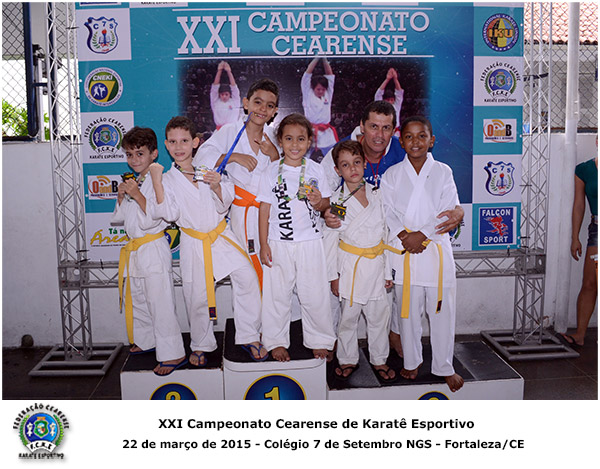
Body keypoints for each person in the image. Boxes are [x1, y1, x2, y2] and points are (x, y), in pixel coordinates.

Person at [321, 101, 465, 356]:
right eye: (373, 127)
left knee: (392, 297)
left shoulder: (404, 150)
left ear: (394, 131)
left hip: (386, 237)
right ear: (362, 127)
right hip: (352, 237)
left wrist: (458, 209)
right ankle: (332, 339)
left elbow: (435, 192)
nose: (379, 135)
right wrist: (327, 211)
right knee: (341, 296)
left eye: (386, 128)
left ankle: (395, 335)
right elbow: (323, 194)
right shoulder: (343, 151)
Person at [149, 116, 265, 365]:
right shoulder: (167, 180)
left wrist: (216, 186)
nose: (178, 147)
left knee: (247, 277)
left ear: (195, 143)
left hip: (220, 235)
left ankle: (249, 335)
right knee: (197, 297)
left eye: (184, 141)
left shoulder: (207, 170)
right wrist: (156, 181)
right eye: (172, 142)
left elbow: (224, 204)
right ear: (166, 145)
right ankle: (201, 344)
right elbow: (168, 214)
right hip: (193, 242)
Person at [381, 116, 464, 393]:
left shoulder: (443, 172)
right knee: (408, 313)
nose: (415, 141)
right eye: (409, 136)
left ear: (432, 140)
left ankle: (444, 366)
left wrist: (422, 235)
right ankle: (412, 360)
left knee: (442, 313)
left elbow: (449, 210)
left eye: (421, 136)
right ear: (401, 141)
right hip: (405, 249)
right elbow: (387, 210)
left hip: (434, 250)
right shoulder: (392, 174)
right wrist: (405, 236)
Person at [258, 113, 336, 361]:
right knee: (277, 296)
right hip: (278, 242)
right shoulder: (270, 171)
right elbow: (264, 209)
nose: (294, 144)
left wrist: (318, 201)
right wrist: (263, 243)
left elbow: (325, 205)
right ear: (280, 141)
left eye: (300, 139)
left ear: (309, 141)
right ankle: (276, 341)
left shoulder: (316, 170)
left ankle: (320, 339)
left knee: (315, 294)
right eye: (289, 138)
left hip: (310, 242)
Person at [112, 126, 186, 376]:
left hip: (153, 246)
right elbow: (122, 218)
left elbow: (162, 215)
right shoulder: (135, 181)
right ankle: (147, 340)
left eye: (140, 154)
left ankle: (173, 352)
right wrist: (122, 196)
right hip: (135, 249)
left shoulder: (160, 180)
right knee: (139, 299)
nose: (134, 160)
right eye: (129, 154)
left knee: (159, 301)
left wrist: (137, 195)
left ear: (154, 153)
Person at [194, 78, 280, 289]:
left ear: (274, 112)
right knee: (246, 274)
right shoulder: (230, 131)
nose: (262, 109)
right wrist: (232, 157)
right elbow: (200, 159)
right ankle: (249, 313)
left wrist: (274, 155)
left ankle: (271, 311)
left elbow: (286, 174)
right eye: (257, 102)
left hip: (271, 212)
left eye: (269, 105)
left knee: (274, 267)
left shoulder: (275, 137)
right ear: (246, 103)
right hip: (243, 212)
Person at [324, 140, 396, 382]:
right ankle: (347, 358)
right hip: (350, 269)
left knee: (379, 317)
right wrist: (333, 276)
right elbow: (331, 239)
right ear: (337, 170)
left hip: (375, 265)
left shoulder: (378, 194)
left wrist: (387, 272)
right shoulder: (338, 200)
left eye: (356, 162)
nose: (352, 168)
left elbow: (385, 234)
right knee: (348, 318)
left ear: (365, 164)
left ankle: (379, 359)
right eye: (345, 165)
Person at [563, 149, 598, 347]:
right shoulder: (584, 170)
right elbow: (579, 206)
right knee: (590, 283)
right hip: (597, 230)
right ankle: (580, 335)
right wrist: (575, 237)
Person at [301, 57, 338, 155]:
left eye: (323, 89)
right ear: (313, 88)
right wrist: (317, 58)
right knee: (305, 158)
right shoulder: (308, 94)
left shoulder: (328, 94)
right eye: (318, 89)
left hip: (326, 134)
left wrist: (324, 58)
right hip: (310, 131)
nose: (321, 91)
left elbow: (330, 75)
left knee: (331, 157)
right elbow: (307, 74)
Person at [210, 61, 241, 129]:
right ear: (219, 95)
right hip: (219, 130)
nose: (224, 96)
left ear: (230, 94)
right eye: (222, 94)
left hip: (232, 130)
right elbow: (214, 88)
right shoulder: (215, 102)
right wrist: (219, 71)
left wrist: (229, 72)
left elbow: (234, 88)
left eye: (226, 94)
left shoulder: (235, 102)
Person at [374, 67, 404, 137]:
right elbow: (378, 94)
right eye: (388, 100)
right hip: (383, 133)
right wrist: (387, 79)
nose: (390, 102)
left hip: (395, 133)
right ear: (384, 100)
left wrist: (395, 79)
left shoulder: (396, 106)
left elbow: (399, 93)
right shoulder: (380, 106)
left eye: (391, 100)